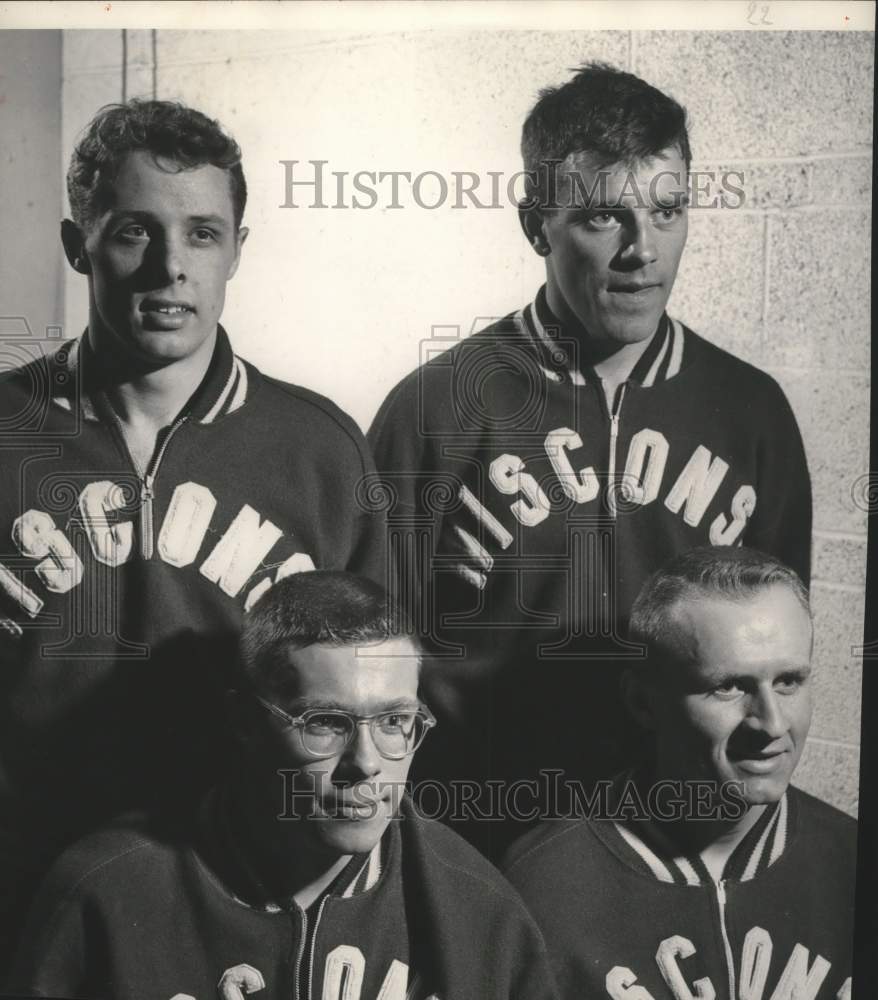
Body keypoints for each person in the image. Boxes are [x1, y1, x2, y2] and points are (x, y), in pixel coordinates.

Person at [367, 63, 811, 858]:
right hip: (481, 842)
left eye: (668, 211)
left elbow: (779, 659)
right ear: (536, 222)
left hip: (682, 842)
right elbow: (374, 669)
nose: (643, 251)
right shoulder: (434, 410)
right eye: (605, 218)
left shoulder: (752, 414)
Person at [0, 100, 386, 966]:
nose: (171, 267)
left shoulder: (318, 450)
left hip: (243, 903)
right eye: (136, 232)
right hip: (22, 896)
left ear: (238, 250)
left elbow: (378, 703)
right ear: (77, 245)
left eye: (203, 234)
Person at [9, 571, 557, 1000]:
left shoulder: (479, 913)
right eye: (326, 723)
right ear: (247, 723)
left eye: (395, 722)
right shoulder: (105, 892)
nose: (366, 764)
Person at [504, 547, 855, 1000]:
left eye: (788, 681)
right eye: (729, 686)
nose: (771, 724)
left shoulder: (855, 864)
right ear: (642, 703)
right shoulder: (543, 884)